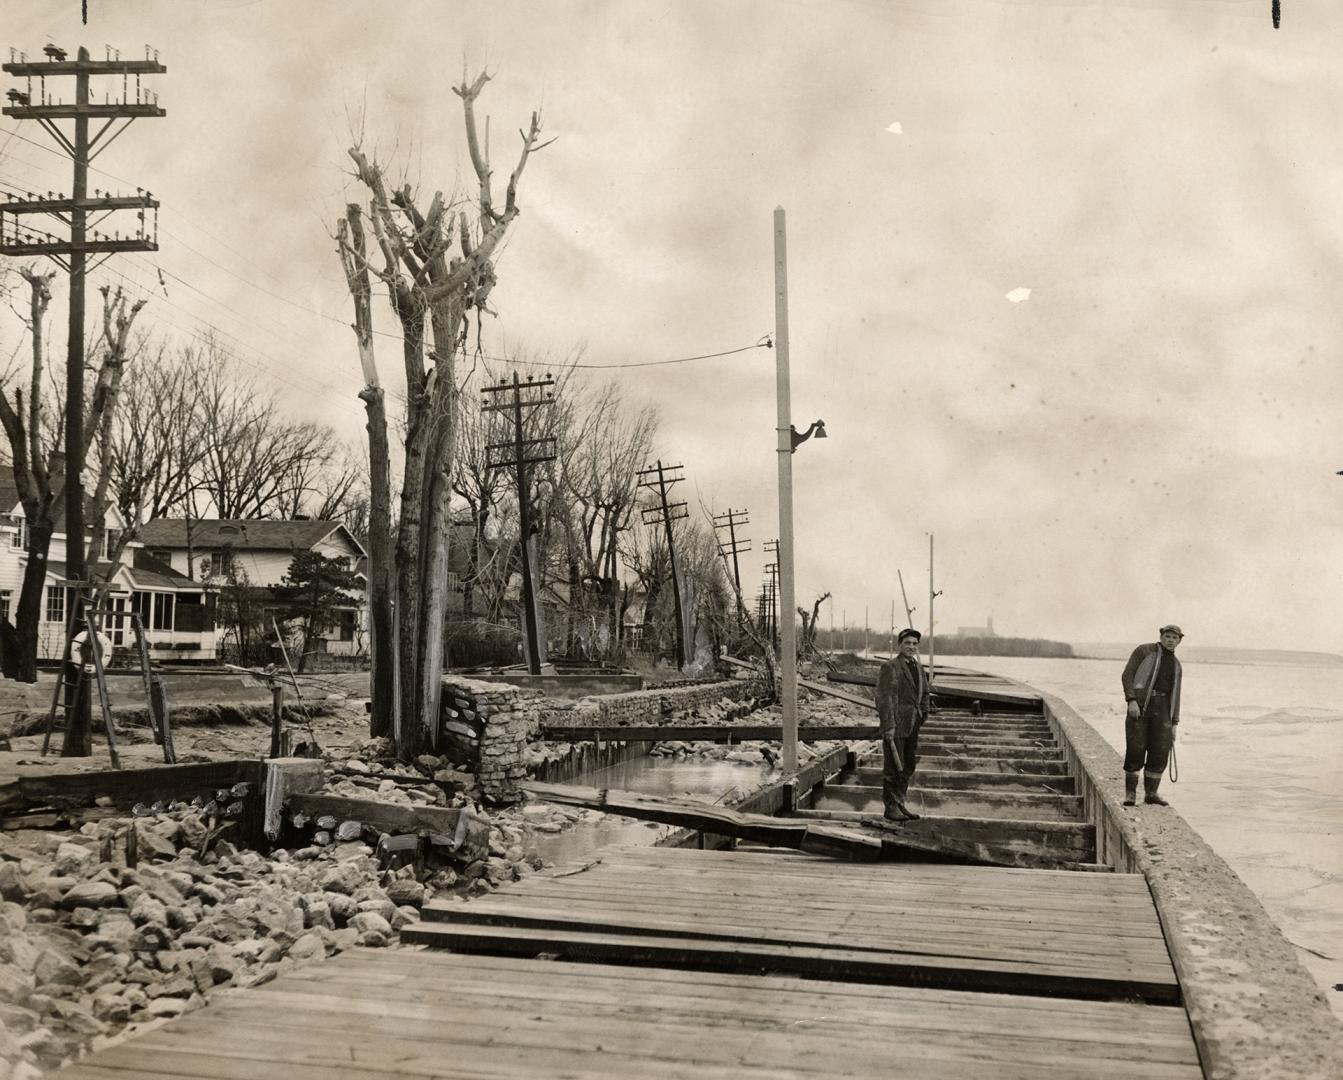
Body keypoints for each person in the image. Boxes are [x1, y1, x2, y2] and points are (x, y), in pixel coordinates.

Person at [1120, 624, 1184, 807]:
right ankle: (1130, 794)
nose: (1171, 640)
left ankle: (1151, 794)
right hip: (1141, 707)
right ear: (1161, 636)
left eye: (1175, 638)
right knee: (1135, 748)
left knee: (1160, 751)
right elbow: (1127, 675)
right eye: (1168, 636)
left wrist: (1174, 723)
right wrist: (1131, 700)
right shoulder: (1144, 651)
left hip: (1163, 709)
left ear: (1179, 641)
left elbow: (1176, 695)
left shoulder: (1177, 665)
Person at [876, 627, 930, 821]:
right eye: (907, 643)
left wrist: (924, 712)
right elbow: (884, 697)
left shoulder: (918, 667)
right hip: (896, 725)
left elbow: (924, 693)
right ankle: (890, 808)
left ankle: (900, 803)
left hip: (913, 723)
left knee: (908, 766)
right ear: (900, 645)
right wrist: (889, 725)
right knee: (893, 767)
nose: (911, 647)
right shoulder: (890, 667)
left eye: (915, 644)